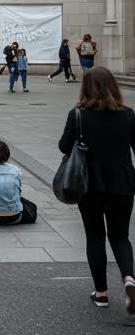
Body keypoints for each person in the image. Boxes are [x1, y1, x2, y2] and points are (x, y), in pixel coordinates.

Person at [58, 68, 135, 311]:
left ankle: (101, 293)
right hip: (122, 183)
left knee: (95, 236)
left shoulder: (78, 115)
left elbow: (63, 147)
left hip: (88, 184)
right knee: (120, 236)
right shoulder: (128, 114)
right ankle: (129, 279)